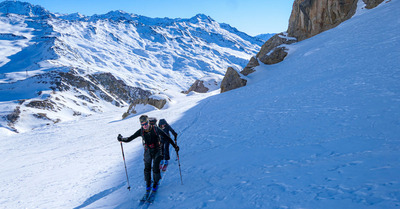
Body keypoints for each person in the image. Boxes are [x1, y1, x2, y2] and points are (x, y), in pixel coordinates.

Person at [117, 115, 179, 193]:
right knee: (147, 169)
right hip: (147, 151)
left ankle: (155, 183)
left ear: (148, 122)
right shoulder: (141, 131)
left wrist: (175, 146)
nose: (144, 126)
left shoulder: (156, 129)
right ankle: (148, 183)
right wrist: (121, 139)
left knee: (156, 168)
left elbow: (167, 137)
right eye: (142, 124)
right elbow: (130, 138)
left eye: (146, 123)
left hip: (157, 150)